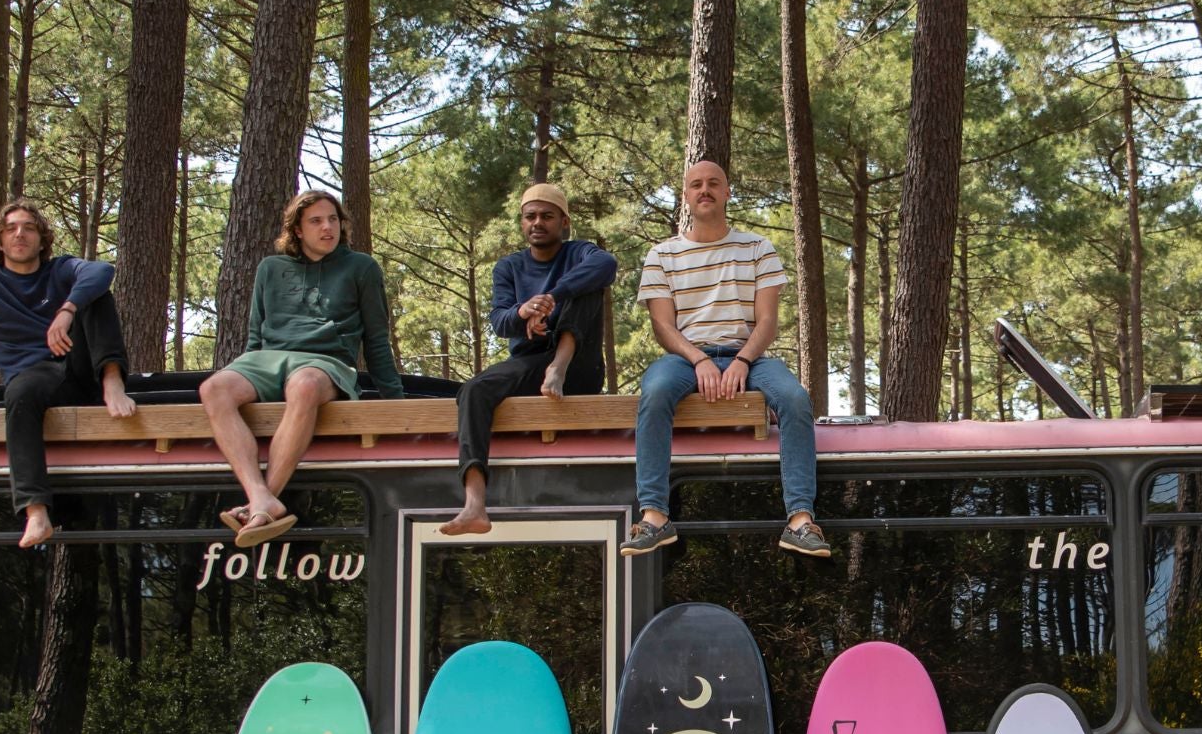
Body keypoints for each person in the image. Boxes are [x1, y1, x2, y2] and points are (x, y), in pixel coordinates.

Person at [622, 160, 827, 558]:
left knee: (794, 399)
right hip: (686, 357)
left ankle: (801, 520)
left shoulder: (757, 248)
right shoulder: (661, 255)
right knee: (656, 390)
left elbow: (767, 321)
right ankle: (654, 518)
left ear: (727, 192)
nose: (705, 190)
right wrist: (698, 360)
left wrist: (743, 361)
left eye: (714, 183)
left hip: (746, 355)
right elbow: (663, 327)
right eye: (696, 184)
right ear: (685, 195)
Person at [199, 188, 403, 547]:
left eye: (333, 220)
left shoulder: (362, 267)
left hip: (325, 362)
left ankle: (263, 502)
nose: (328, 228)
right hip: (266, 359)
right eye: (317, 221)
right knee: (213, 389)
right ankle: (260, 497)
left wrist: (395, 405)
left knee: (305, 385)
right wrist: (250, 384)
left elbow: (376, 339)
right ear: (297, 230)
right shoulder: (270, 268)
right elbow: (254, 336)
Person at [0, 198, 137, 548]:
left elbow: (103, 270)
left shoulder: (60, 270)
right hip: (32, 378)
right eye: (10, 229)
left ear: (42, 239)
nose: (19, 234)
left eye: (29, 227)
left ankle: (113, 380)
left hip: (80, 368)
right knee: (19, 393)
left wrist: (67, 309)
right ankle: (36, 512)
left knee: (95, 291)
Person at [441, 182, 617, 535]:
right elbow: (499, 323)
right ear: (522, 223)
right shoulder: (508, 267)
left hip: (577, 365)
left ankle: (559, 364)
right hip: (531, 362)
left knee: (587, 284)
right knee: (474, 390)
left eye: (547, 216)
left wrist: (552, 297)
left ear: (564, 222)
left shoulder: (579, 252)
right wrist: (523, 311)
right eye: (530, 216)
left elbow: (607, 264)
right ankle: (475, 504)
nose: (538, 222)